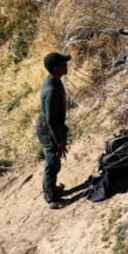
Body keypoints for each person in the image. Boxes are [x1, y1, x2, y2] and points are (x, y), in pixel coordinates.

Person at [35, 52, 71, 208]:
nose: (66, 66)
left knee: (54, 162)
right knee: (51, 162)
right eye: (63, 64)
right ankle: (51, 199)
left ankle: (52, 189)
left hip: (52, 127)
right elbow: (50, 120)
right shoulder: (51, 90)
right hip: (48, 130)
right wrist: (59, 140)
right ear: (56, 68)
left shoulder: (55, 80)